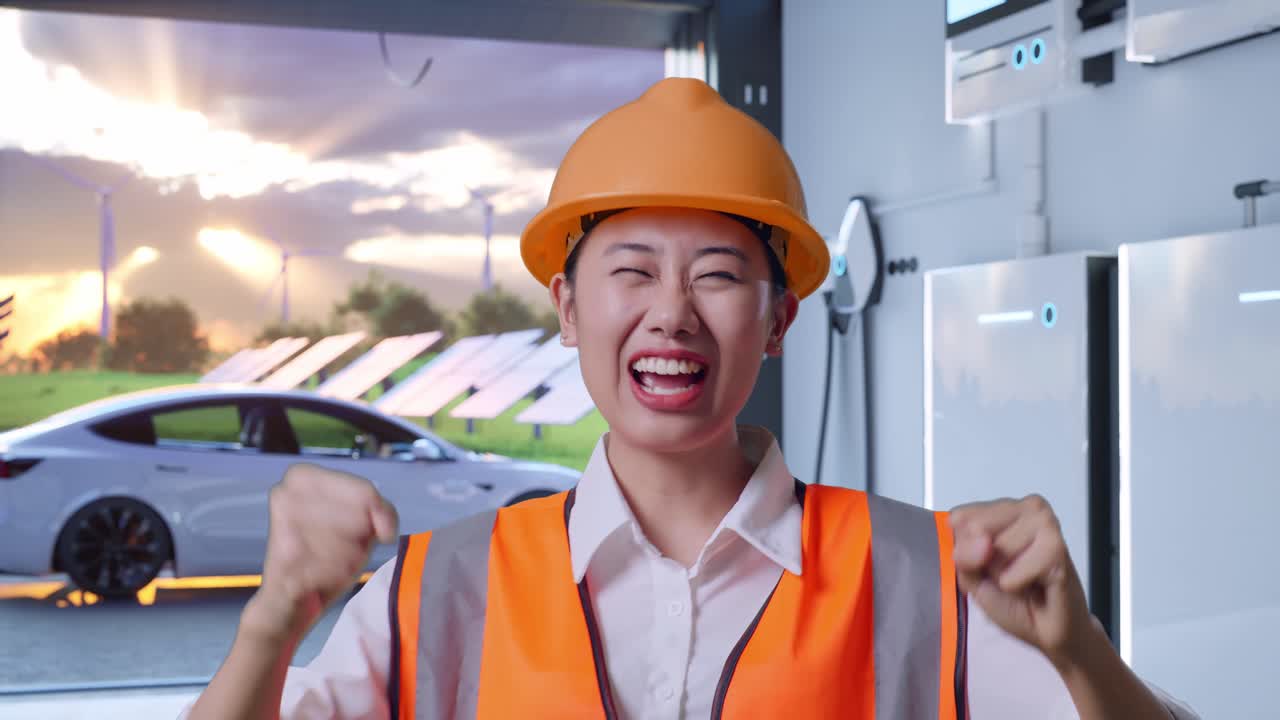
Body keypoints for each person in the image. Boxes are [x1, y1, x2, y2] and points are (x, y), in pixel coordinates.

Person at [184, 78, 1198, 719]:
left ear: (777, 321)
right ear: (567, 309)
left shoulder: (925, 579)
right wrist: (270, 626)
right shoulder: (437, 592)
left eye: (716, 274)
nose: (669, 313)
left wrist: (1079, 651)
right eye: (630, 270)